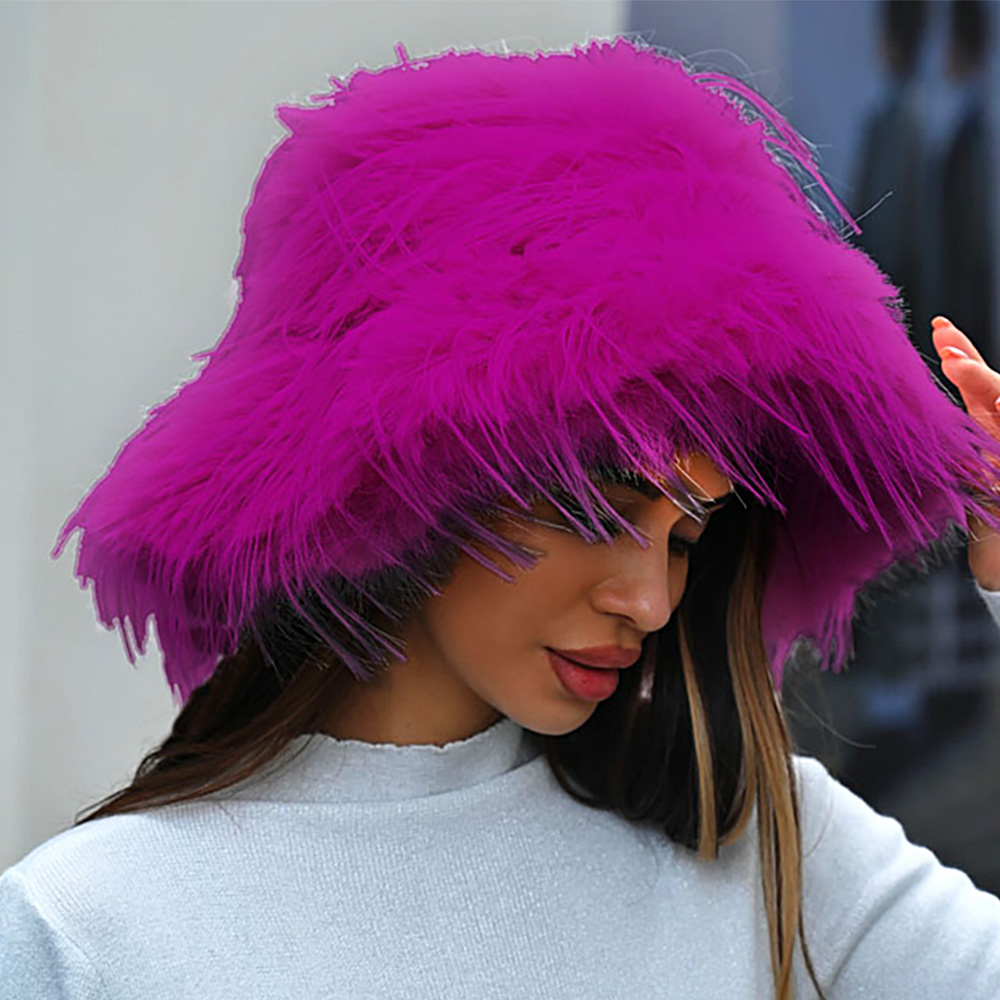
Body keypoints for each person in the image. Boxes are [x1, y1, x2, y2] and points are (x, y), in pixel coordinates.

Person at [3, 35, 1000, 1000]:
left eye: (687, 536)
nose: (650, 600)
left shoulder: (769, 850)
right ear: (401, 472)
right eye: (596, 510)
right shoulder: (91, 930)